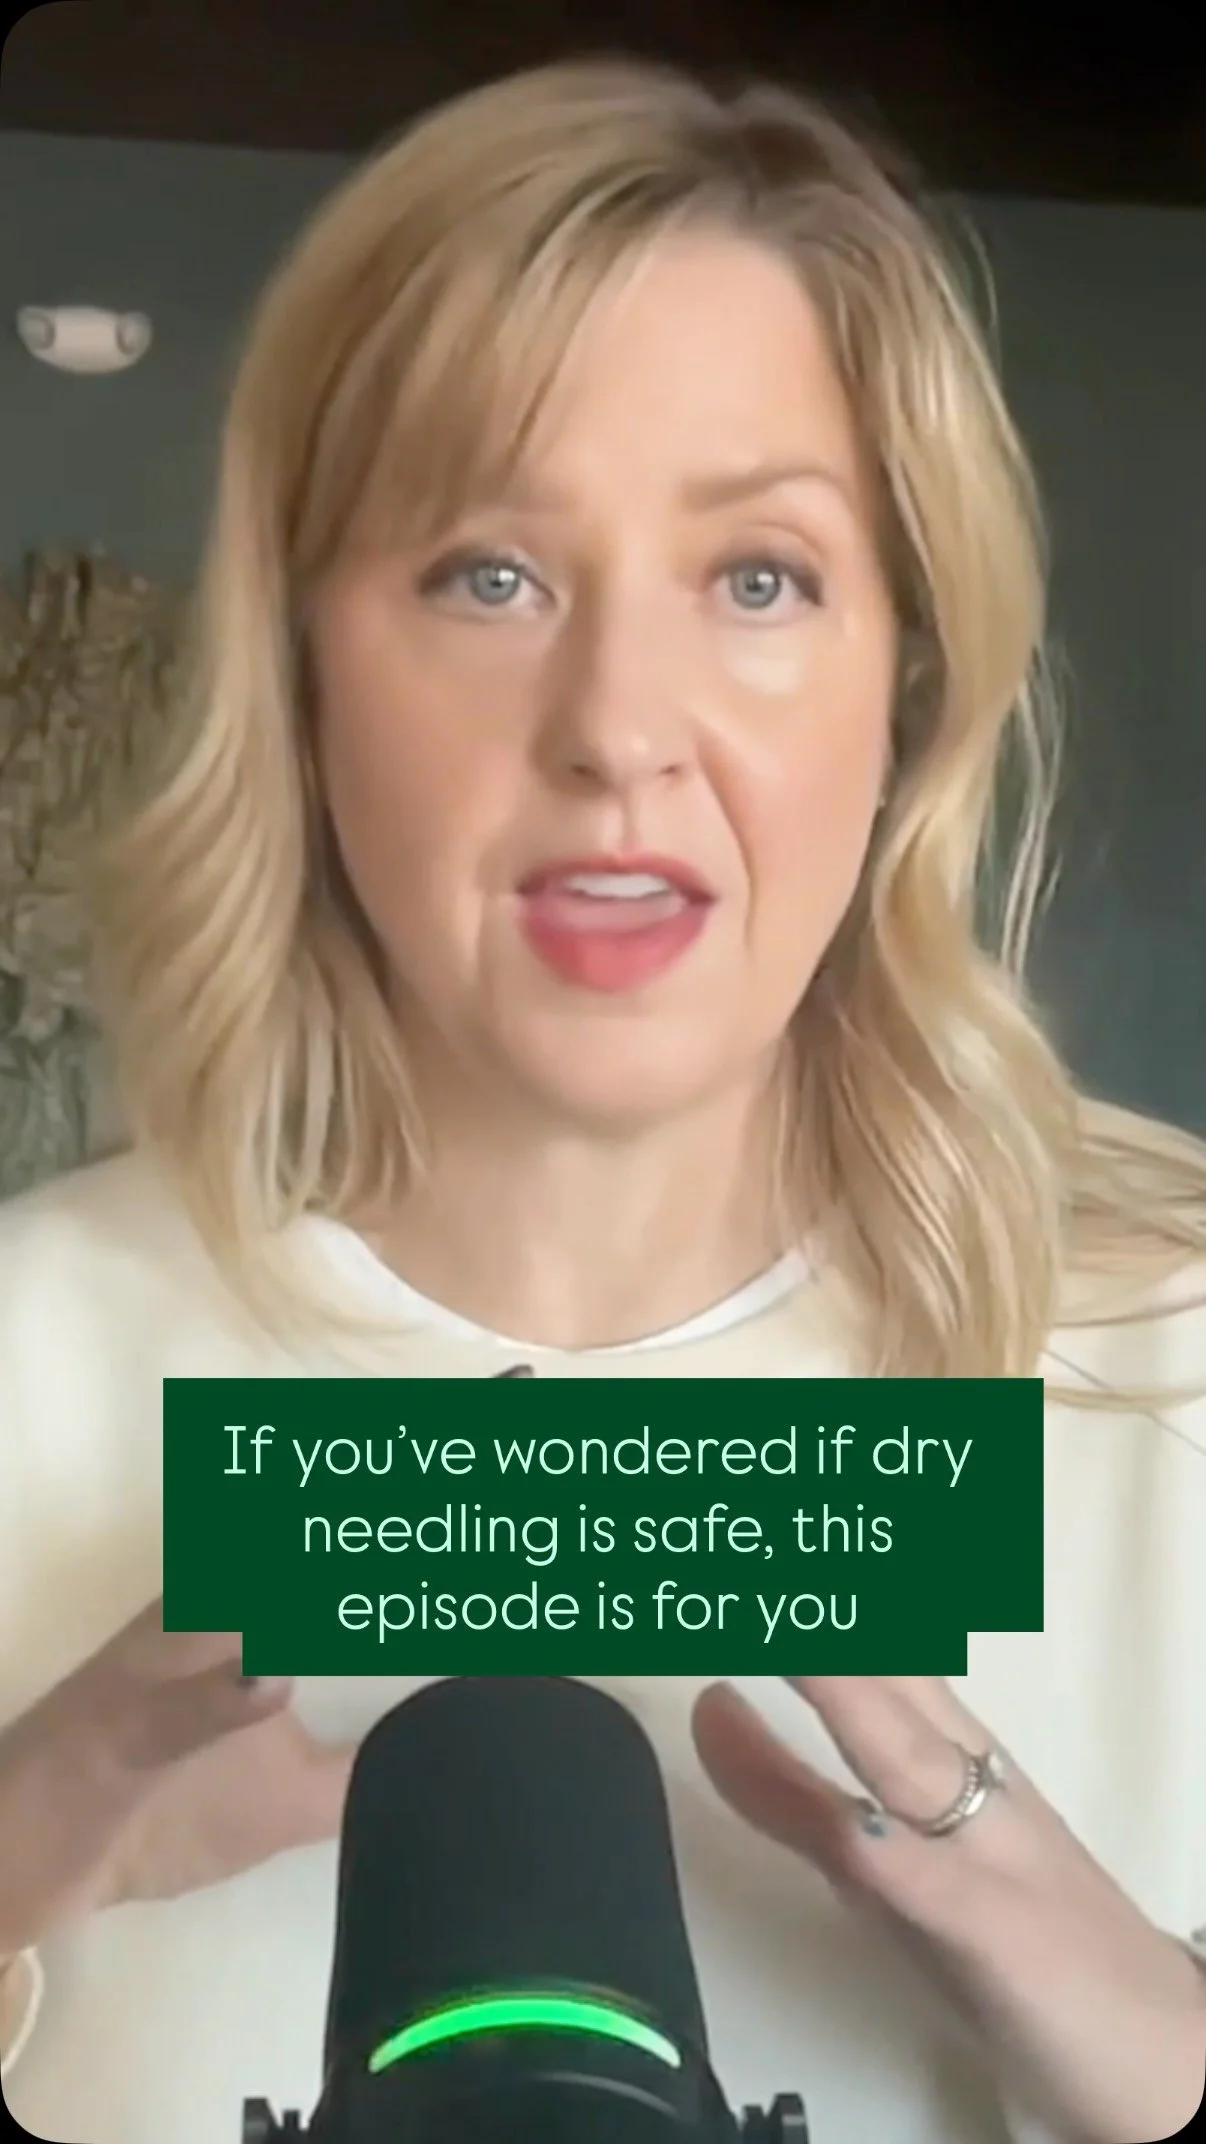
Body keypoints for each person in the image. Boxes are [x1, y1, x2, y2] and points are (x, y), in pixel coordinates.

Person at [1, 53, 1204, 2144]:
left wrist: (1137, 2021)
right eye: (489, 572)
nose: (617, 727)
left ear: (906, 683)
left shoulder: (1177, 1379)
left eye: (758, 578)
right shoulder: (26, 1356)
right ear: (303, 674)